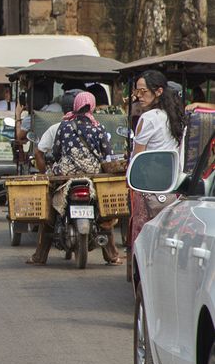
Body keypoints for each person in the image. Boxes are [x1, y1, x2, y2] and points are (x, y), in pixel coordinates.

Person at [27, 91, 121, 265]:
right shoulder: (98, 127)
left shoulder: (63, 126)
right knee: (104, 210)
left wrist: (56, 164)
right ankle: (112, 255)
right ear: (92, 106)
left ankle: (40, 255)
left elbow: (55, 153)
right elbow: (108, 154)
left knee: (49, 210)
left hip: (66, 172)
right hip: (92, 173)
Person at [129, 69, 186, 247]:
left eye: (143, 91)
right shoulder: (175, 116)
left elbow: (137, 157)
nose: (139, 96)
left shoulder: (148, 118)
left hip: (148, 185)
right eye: (137, 91)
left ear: (159, 92)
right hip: (172, 184)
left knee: (142, 234)